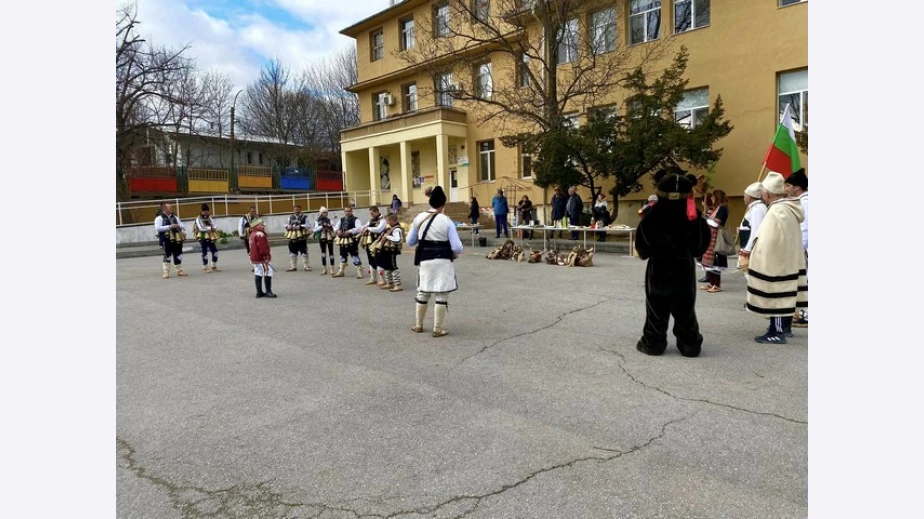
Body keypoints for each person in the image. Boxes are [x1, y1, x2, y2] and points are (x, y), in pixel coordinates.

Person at [634, 172, 711, 357]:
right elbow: (700, 246)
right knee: (685, 307)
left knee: (656, 307)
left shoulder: (652, 215)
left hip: (659, 268)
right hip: (683, 268)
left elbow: (642, 248)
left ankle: (653, 342)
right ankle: (689, 344)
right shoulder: (694, 216)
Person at [745, 172, 807, 344]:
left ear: (767, 193)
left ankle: (777, 332)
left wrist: (758, 255)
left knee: (778, 296)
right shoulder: (786, 208)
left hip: (778, 262)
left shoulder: (778, 210)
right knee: (783, 295)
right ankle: (783, 328)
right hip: (786, 259)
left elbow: (769, 240)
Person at [408, 186, 463, 337]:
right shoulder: (447, 221)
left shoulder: (419, 218)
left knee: (423, 292)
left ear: (430, 202)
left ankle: (418, 325)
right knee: (442, 293)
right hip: (443, 260)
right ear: (443, 204)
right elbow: (457, 247)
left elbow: (410, 241)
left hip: (425, 259)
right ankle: (437, 328)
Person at [784, 168, 809, 328]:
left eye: (788, 186)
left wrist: (798, 250)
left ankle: (806, 316)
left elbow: (805, 230)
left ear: (797, 188)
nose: (786, 189)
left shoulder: (805, 203)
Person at [700, 189, 730, 293]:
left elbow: (716, 223)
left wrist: (705, 219)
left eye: (713, 196)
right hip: (712, 237)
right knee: (711, 263)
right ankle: (712, 284)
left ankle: (717, 285)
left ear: (717, 197)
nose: (711, 198)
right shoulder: (717, 208)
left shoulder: (723, 208)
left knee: (716, 263)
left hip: (717, 238)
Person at [154, 202, 187, 279]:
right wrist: (170, 226)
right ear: (164, 209)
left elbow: (183, 226)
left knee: (178, 254)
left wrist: (178, 226)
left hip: (177, 238)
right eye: (169, 208)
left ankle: (179, 271)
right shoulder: (159, 218)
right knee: (167, 255)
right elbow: (158, 228)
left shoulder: (175, 217)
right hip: (166, 239)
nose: (171, 209)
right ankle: (166, 272)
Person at [738, 183, 767, 265]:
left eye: (745, 196)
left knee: (750, 270)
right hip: (747, 243)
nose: (743, 198)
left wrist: (747, 249)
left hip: (750, 245)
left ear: (750, 197)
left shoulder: (757, 209)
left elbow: (756, 230)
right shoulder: (756, 207)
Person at [332, 206, 365, 279]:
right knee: (342, 255)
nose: (347, 212)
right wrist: (337, 231)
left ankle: (359, 272)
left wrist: (349, 231)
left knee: (354, 255)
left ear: (352, 211)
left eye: (349, 211)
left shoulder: (356, 219)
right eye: (346, 211)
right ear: (344, 212)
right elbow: (335, 227)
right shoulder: (341, 219)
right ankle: (341, 271)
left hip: (352, 240)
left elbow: (359, 228)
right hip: (342, 240)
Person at [377, 212, 405, 292]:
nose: (387, 222)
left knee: (393, 266)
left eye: (388, 220)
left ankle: (398, 284)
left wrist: (387, 236)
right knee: (387, 266)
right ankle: (390, 283)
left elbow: (398, 240)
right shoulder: (391, 228)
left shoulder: (397, 229)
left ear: (392, 220)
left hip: (392, 251)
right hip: (387, 251)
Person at [249, 218, 276, 298]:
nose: (263, 226)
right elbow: (263, 247)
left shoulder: (252, 234)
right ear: (255, 226)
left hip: (255, 257)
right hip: (261, 258)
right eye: (261, 225)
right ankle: (268, 291)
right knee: (268, 271)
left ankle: (259, 292)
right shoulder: (260, 234)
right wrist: (266, 256)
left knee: (258, 272)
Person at [359, 206, 387, 285]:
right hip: (370, 242)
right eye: (370, 213)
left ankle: (382, 280)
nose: (371, 215)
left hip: (378, 243)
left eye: (372, 213)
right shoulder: (371, 219)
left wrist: (368, 228)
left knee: (379, 260)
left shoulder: (383, 220)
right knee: (371, 260)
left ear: (377, 211)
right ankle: (373, 279)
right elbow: (366, 225)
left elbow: (379, 229)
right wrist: (362, 228)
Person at [195, 203, 221, 273]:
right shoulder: (198, 218)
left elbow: (214, 225)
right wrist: (209, 228)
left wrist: (214, 228)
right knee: (204, 252)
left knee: (215, 251)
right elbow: (201, 228)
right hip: (203, 236)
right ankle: (205, 266)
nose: (206, 213)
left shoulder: (209, 217)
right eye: (205, 212)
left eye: (207, 212)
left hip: (210, 236)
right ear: (201, 211)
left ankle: (213, 265)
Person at [284, 204, 311, 272]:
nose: (296, 211)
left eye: (298, 209)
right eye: (295, 209)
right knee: (292, 251)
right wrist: (288, 226)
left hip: (301, 237)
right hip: (292, 236)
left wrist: (301, 226)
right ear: (293, 210)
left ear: (300, 210)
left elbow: (309, 225)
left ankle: (306, 266)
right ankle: (293, 266)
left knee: (304, 251)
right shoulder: (290, 217)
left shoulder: (305, 217)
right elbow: (285, 224)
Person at [313, 207, 336, 276]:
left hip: (329, 237)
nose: (325, 214)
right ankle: (324, 269)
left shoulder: (329, 220)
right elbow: (315, 229)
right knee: (323, 253)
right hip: (322, 237)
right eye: (323, 212)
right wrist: (322, 226)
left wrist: (330, 226)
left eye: (326, 212)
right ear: (320, 213)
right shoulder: (317, 221)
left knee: (331, 253)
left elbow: (334, 227)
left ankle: (332, 269)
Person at [239, 206, 258, 272]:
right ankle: (254, 266)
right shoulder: (244, 218)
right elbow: (240, 226)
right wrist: (241, 235)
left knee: (257, 250)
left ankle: (258, 264)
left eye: (254, 211)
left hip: (256, 236)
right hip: (248, 236)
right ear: (249, 211)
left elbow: (262, 225)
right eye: (252, 211)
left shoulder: (257, 218)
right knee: (250, 251)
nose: (254, 212)